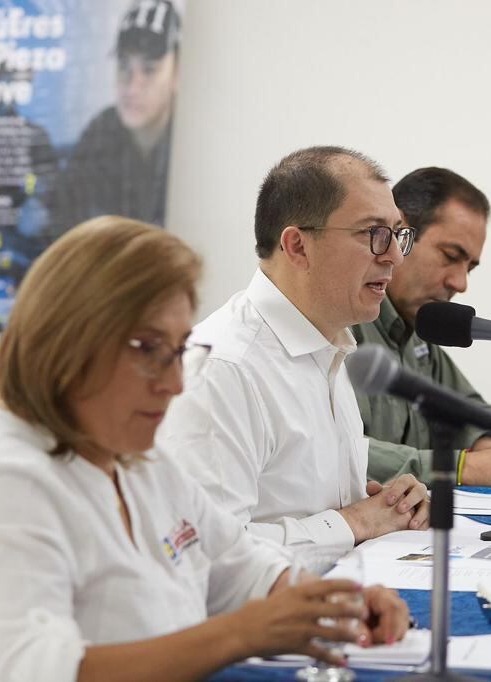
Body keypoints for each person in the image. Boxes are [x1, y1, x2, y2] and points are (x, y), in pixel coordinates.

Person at [0, 217, 409, 682]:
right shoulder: (4, 478)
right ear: (66, 343)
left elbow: (236, 564)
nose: (174, 383)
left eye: (180, 350)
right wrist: (241, 634)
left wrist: (335, 603)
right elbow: (41, 670)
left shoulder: (136, 457)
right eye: (148, 350)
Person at [159, 146, 430, 550]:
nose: (394, 256)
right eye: (374, 234)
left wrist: (387, 504)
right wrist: (352, 523)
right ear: (298, 246)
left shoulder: (330, 346)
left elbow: (307, 507)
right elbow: (205, 551)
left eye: (397, 235)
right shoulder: (223, 367)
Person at [352, 167, 491, 487]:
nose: (460, 284)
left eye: (469, 268)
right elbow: (330, 455)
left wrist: (489, 444)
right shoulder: (342, 322)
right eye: (450, 256)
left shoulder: (417, 327)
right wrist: (463, 467)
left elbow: (464, 408)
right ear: (398, 232)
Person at [47, 0, 180, 236]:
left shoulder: (190, 143)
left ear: (177, 73)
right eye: (124, 67)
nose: (132, 86)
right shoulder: (101, 132)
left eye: (149, 69)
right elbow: (60, 215)